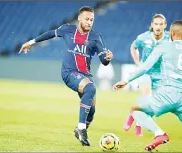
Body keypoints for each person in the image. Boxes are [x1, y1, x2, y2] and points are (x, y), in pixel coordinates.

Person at [19, 6, 113, 146]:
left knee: (92, 111)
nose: (89, 22)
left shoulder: (96, 37)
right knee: (91, 89)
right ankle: (81, 128)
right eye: (87, 19)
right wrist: (31, 42)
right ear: (80, 18)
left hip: (86, 75)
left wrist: (108, 58)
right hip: (69, 72)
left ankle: (80, 130)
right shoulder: (67, 29)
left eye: (92, 20)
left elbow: (104, 61)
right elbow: (51, 33)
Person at [114, 20, 182, 151]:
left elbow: (145, 67)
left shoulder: (164, 46)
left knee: (135, 109)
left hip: (166, 95)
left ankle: (160, 134)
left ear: (171, 33)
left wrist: (126, 80)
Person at [125, 14, 170, 136]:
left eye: (161, 24)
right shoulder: (143, 37)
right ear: (152, 25)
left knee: (154, 102)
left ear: (165, 26)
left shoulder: (169, 38)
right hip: (145, 72)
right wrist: (138, 63)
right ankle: (138, 125)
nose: (158, 27)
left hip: (160, 75)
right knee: (146, 94)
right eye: (156, 24)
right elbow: (133, 47)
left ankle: (133, 115)